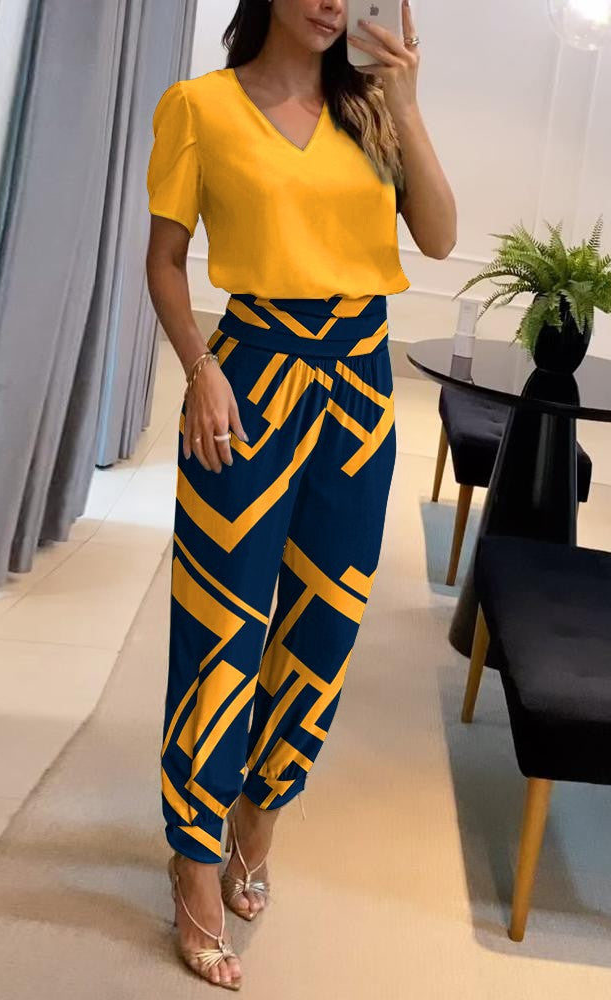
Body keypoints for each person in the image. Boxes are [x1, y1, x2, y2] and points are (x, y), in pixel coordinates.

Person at [145, 0, 456, 989]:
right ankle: (194, 861)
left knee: (322, 628)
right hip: (247, 383)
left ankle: (258, 820)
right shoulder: (199, 106)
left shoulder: (370, 112)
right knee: (220, 626)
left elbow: (439, 238)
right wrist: (200, 368)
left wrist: (406, 103)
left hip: (359, 390)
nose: (331, 4)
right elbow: (164, 261)